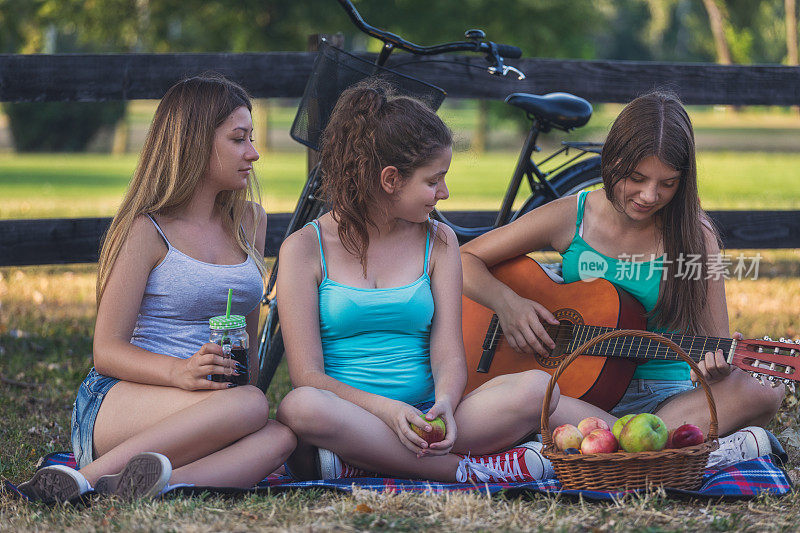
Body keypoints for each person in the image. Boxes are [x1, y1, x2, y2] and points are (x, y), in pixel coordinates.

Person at [460, 90, 784, 467]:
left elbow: (718, 345)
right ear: (613, 160)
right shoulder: (573, 215)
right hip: (573, 394)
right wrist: (508, 304)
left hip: (664, 399)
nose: (650, 195)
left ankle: (604, 447)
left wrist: (719, 369)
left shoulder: (697, 236)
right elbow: (465, 257)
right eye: (637, 178)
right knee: (531, 394)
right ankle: (671, 454)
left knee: (758, 391)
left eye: (668, 183)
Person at [19, 75, 296, 504]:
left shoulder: (251, 222)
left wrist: (239, 420)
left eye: (251, 138)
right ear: (195, 143)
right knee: (253, 407)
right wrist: (180, 372)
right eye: (239, 139)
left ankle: (147, 486)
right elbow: (107, 351)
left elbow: (244, 337)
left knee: (278, 438)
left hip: (214, 404)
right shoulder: (145, 230)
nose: (253, 153)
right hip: (120, 401)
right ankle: (79, 479)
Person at [275, 80, 562, 483]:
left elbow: (448, 355)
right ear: (390, 179)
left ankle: (363, 462)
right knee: (298, 406)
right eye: (433, 180)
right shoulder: (303, 248)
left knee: (536, 388)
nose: (444, 192)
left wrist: (445, 401)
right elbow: (309, 376)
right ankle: (472, 471)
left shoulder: (439, 240)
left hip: (430, 421)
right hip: (351, 418)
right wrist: (389, 413)